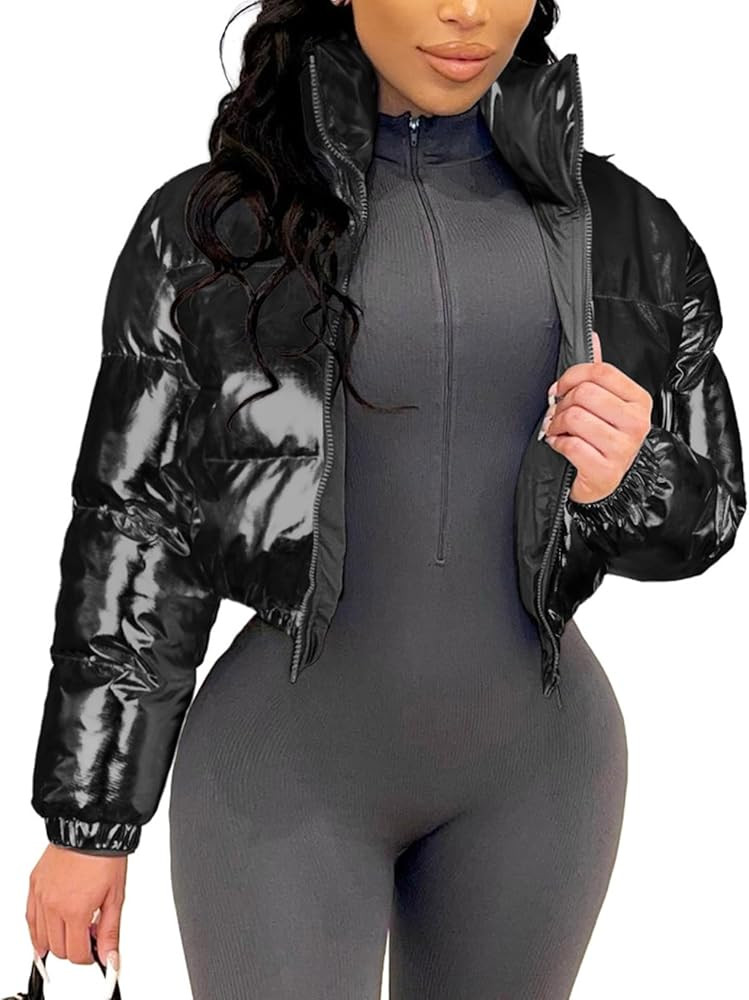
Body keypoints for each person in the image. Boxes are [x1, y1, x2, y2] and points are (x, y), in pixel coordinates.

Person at [25, 0, 746, 997]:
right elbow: (136, 525)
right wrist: (90, 822)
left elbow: (709, 517)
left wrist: (633, 472)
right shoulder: (211, 229)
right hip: (282, 773)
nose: (466, 12)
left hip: (539, 776)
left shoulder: (626, 229)